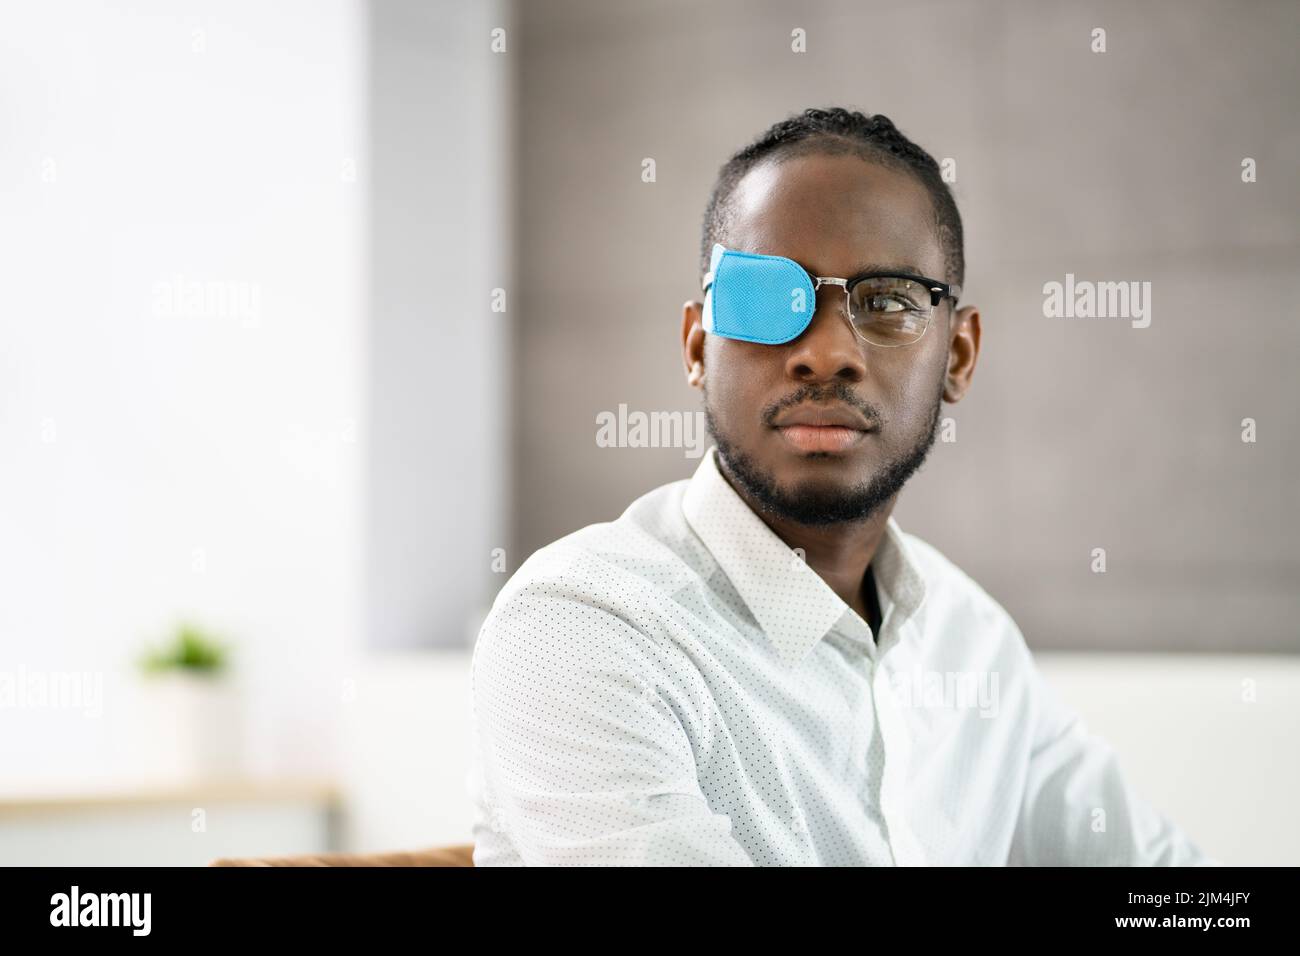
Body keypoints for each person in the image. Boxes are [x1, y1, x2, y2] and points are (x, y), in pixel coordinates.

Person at [466, 106, 1214, 866]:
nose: (825, 353)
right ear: (698, 347)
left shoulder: (969, 642)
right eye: (765, 298)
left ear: (958, 355)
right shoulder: (583, 625)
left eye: (887, 300)